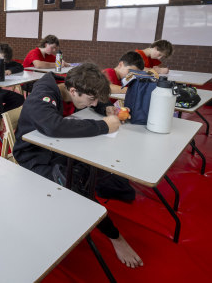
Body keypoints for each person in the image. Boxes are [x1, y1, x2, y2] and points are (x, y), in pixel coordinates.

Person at [13, 63, 143, 268]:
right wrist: (103, 126)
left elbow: (92, 99)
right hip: (34, 155)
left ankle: (91, 198)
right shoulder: (43, 94)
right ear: (73, 91)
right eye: (91, 100)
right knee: (76, 187)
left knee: (105, 173)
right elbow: (53, 126)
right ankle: (115, 237)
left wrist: (104, 106)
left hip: (58, 148)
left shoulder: (73, 87)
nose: (93, 104)